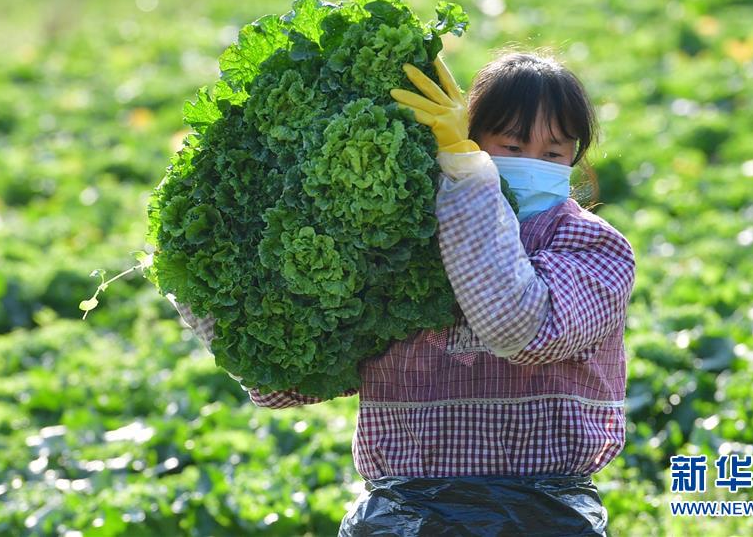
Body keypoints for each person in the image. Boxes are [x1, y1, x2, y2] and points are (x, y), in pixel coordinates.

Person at [170, 51, 636, 536]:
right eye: (512, 147)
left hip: (544, 518)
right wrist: (200, 272)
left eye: (553, 154)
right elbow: (284, 382)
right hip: (403, 516)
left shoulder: (594, 248)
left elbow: (517, 326)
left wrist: (467, 176)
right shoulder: (405, 244)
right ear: (473, 140)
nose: (531, 165)